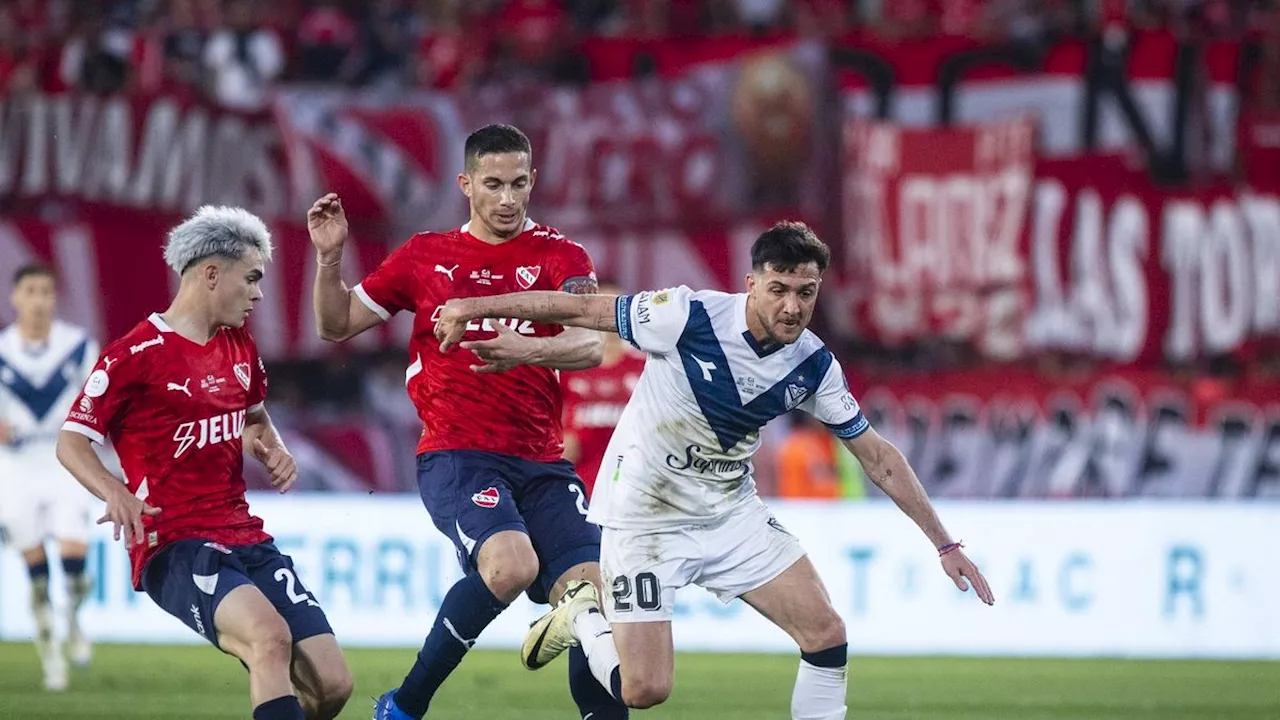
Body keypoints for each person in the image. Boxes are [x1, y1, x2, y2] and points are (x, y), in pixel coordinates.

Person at [435, 220, 996, 718]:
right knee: (644, 691)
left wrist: (945, 544)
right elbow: (583, 310)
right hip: (645, 517)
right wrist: (474, 307)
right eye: (778, 290)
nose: (792, 307)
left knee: (825, 631)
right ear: (751, 284)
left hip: (729, 512)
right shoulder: (687, 314)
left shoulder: (815, 365)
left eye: (806, 293)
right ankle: (584, 616)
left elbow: (878, 456)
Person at [307, 123, 627, 720]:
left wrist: (522, 349)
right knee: (512, 564)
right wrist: (329, 259)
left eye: (519, 184)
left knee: (596, 598)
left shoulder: (564, 256)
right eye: (494, 184)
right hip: (458, 455)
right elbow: (336, 325)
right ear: (466, 184)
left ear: (532, 182)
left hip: (543, 462)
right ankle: (404, 706)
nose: (508, 198)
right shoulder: (425, 257)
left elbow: (588, 347)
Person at [55, 206, 353, 720]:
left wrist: (271, 447)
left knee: (332, 686)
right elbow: (71, 442)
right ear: (212, 273)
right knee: (269, 640)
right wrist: (116, 492)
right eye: (253, 278)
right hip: (174, 541)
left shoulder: (239, 346)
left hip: (244, 535)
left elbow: (255, 418)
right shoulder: (135, 355)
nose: (260, 294)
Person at [0, 263, 99, 691]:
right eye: (31, 291)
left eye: (46, 291)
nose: (39, 299)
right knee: (36, 575)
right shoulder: (2, 351)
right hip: (17, 466)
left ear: (54, 297)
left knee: (74, 565)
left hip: (65, 461)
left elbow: (100, 400)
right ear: (15, 298)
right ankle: (50, 659)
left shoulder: (78, 347)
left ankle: (74, 617)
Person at [560, 280, 646, 498]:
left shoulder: (646, 367)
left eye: (615, 307)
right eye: (602, 308)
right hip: (580, 483)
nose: (608, 316)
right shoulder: (568, 367)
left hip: (634, 486)